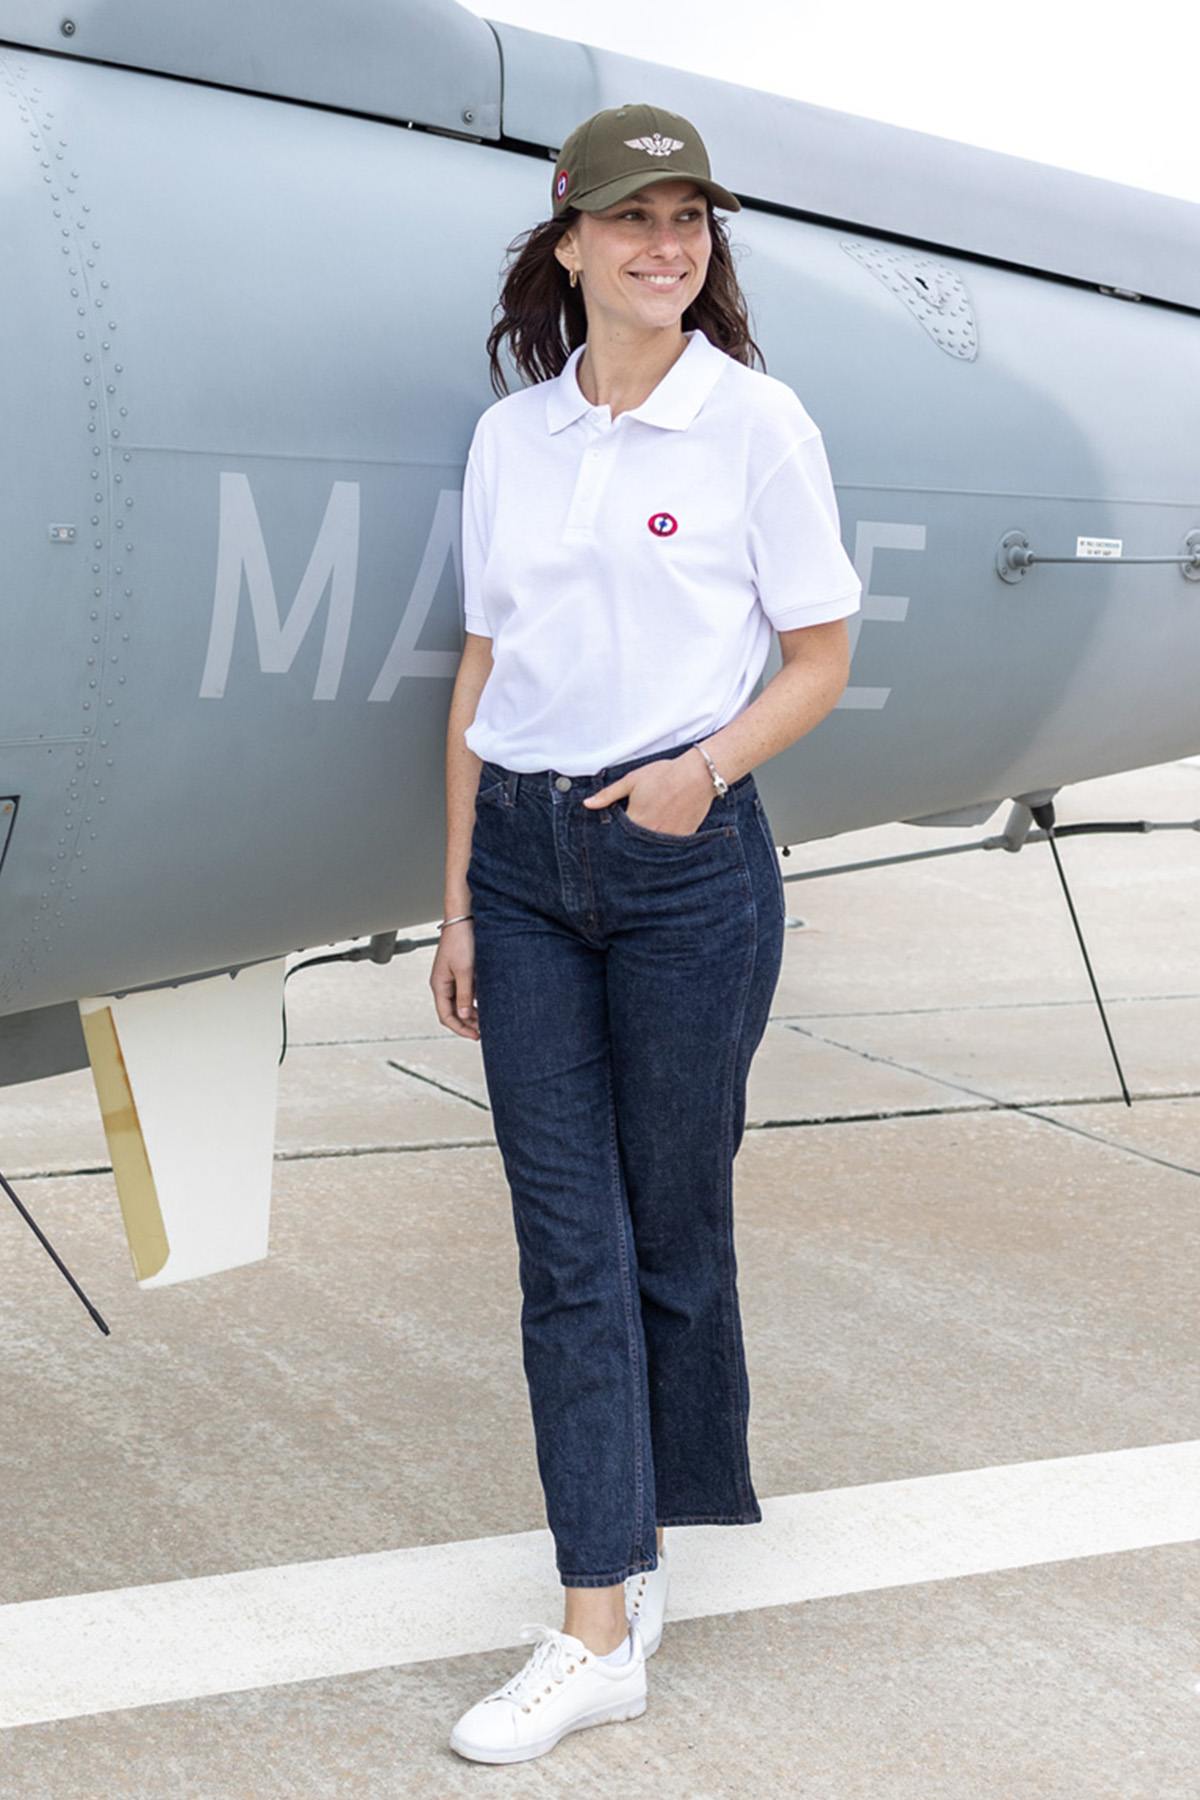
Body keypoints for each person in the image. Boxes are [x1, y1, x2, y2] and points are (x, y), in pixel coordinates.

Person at [431, 101, 862, 1765]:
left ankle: (652, 1528)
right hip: (533, 870)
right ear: (568, 244)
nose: (663, 245)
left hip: (689, 871)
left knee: (670, 1222)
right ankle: (596, 1615)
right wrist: (463, 895)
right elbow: (482, 682)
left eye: (688, 220)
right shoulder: (511, 440)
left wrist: (701, 772)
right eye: (631, 219)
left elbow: (817, 658)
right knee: (570, 1243)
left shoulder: (756, 425)